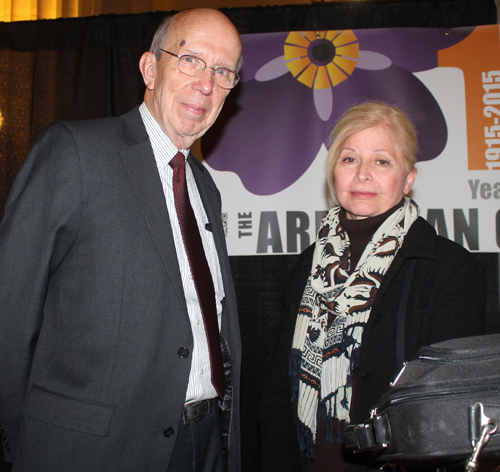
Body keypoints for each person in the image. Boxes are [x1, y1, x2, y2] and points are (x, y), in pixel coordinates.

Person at [0, 8, 242, 472]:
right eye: (191, 60)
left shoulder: (204, 186)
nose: (206, 84)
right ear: (151, 68)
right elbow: (9, 312)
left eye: (223, 71)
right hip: (89, 452)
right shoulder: (74, 152)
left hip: (202, 446)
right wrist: (24, 445)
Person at [259, 101, 487, 472]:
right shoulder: (306, 266)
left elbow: (451, 408)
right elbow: (275, 390)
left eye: (381, 161)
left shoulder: (451, 270)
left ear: (409, 178)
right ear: (333, 172)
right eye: (349, 159)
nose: (362, 174)